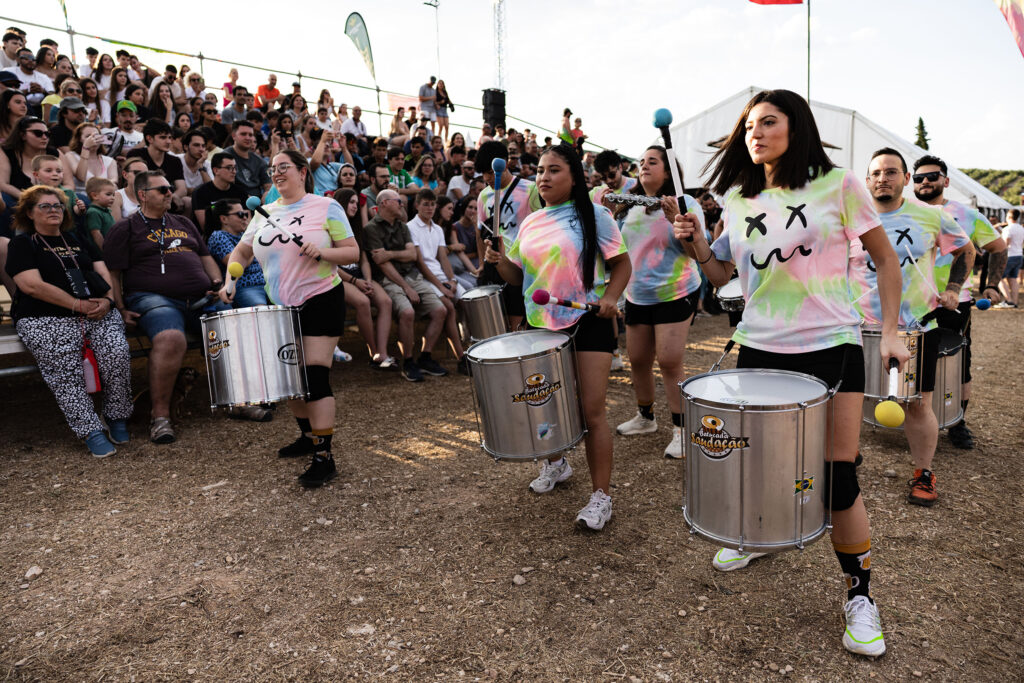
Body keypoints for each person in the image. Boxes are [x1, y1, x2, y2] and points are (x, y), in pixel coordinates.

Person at [672, 89, 909, 658]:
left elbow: (884, 259)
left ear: (796, 127)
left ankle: (860, 596)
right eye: (749, 126)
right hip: (758, 346)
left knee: (837, 476)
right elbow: (722, 273)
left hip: (830, 346)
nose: (755, 133)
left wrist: (892, 331)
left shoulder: (838, 185)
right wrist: (697, 243)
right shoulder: (737, 198)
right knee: (758, 465)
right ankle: (759, 538)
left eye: (768, 122)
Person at [490, 143, 631, 531]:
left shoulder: (596, 215)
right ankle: (556, 463)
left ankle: (601, 496)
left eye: (553, 170)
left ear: (574, 177)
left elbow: (622, 264)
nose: (544, 177)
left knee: (591, 410)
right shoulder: (531, 222)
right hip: (541, 324)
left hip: (587, 320)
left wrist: (611, 297)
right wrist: (498, 260)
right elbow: (517, 276)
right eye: (539, 170)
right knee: (545, 405)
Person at [218, 150, 358, 487]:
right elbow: (243, 251)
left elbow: (352, 252)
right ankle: (308, 437)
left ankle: (324, 456)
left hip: (321, 297)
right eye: (273, 169)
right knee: (290, 380)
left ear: (303, 172)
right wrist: (229, 280)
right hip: (280, 304)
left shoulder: (326, 206)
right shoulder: (265, 212)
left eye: (284, 167)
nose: (277, 173)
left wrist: (323, 251)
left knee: (314, 376)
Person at [851, 148, 973, 508]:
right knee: (847, 399)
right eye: (875, 173)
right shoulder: (851, 217)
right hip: (858, 325)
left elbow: (966, 250)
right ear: (866, 180)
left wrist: (954, 289)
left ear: (906, 178)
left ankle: (924, 472)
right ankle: (845, 459)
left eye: (891, 172)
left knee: (919, 404)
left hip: (918, 325)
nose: (882, 178)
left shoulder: (931, 215)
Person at [5, 185, 132, 457]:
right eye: (45, 206)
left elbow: (102, 271)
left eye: (58, 206)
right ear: (30, 213)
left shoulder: (76, 238)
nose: (54, 210)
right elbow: (31, 286)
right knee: (65, 370)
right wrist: (76, 305)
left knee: (117, 353)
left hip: (96, 311)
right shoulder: (23, 244)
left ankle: (116, 415)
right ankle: (90, 429)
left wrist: (108, 301)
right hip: (44, 318)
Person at [103, 169, 226, 444]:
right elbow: (112, 273)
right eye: (163, 189)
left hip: (200, 297)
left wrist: (217, 283)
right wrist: (120, 308)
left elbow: (204, 256)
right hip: (152, 297)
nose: (170, 192)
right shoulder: (125, 228)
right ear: (143, 195)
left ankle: (239, 399)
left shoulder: (183, 222)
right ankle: (160, 416)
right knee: (171, 338)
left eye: (170, 187)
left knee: (232, 326)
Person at [612, 145, 703, 458]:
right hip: (638, 295)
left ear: (668, 171)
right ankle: (646, 417)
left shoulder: (684, 202)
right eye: (641, 162)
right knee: (638, 359)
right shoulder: (629, 206)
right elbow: (619, 252)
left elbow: (696, 253)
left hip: (675, 292)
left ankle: (682, 430)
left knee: (668, 360)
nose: (644, 166)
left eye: (652, 161)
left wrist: (674, 218)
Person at [911, 154, 1007, 449]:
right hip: (912, 303)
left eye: (932, 176)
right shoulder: (904, 211)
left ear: (946, 180)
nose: (925, 182)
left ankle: (957, 422)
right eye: (919, 178)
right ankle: (914, 419)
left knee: (958, 366)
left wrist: (991, 284)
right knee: (911, 364)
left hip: (955, 304)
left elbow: (998, 247)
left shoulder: (967, 215)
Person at [363, 189, 448, 382]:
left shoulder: (402, 226)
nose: (402, 204)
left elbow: (412, 255)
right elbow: (382, 264)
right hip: (388, 279)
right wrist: (406, 288)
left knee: (440, 311)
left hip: (411, 275)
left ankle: (425, 356)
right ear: (384, 203)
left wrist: (390, 254)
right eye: (398, 201)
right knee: (407, 312)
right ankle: (408, 361)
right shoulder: (371, 229)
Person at [476, 141, 542, 329]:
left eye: (490, 172)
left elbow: (540, 226)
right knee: (495, 324)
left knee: (517, 325)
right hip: (494, 265)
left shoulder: (530, 189)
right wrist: (482, 264)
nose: (487, 178)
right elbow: (480, 232)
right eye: (483, 173)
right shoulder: (483, 196)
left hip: (520, 266)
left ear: (504, 164)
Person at [408, 189, 468, 374]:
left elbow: (443, 258)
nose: (429, 208)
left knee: (467, 302)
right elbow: (420, 263)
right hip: (423, 277)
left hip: (440, 276)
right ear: (417, 205)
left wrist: (452, 280)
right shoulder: (411, 227)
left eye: (432, 204)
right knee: (447, 308)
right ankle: (460, 357)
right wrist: (442, 286)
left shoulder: (438, 229)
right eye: (425, 204)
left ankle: (469, 351)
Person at [334, 187, 395, 368]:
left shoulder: (356, 227)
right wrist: (355, 281)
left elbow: (364, 260)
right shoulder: (330, 227)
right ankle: (374, 352)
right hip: (339, 277)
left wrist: (367, 280)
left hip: (360, 275)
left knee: (386, 302)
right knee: (363, 302)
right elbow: (331, 266)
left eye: (356, 202)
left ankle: (382, 352)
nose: (355, 206)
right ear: (341, 204)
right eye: (351, 202)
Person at [206, 199, 267, 308]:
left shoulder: (244, 235)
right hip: (244, 286)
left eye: (245, 214)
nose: (245, 218)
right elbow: (238, 264)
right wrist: (253, 240)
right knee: (261, 311)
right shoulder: (218, 236)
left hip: (267, 283)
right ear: (224, 219)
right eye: (240, 214)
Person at [192, 152, 248, 234]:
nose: (234, 171)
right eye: (229, 168)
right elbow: (205, 226)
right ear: (216, 170)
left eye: (235, 168)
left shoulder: (240, 192)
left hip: (240, 235)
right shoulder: (201, 192)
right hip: (214, 236)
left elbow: (247, 221)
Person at [62, 122, 118, 194]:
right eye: (88, 136)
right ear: (79, 139)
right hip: (81, 197)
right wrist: (86, 148)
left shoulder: (109, 161)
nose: (93, 139)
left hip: (103, 197)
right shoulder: (71, 156)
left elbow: (113, 182)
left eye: (96, 136)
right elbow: (81, 177)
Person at [223, 120, 269, 198]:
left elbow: (268, 186)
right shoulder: (224, 157)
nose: (248, 138)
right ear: (234, 136)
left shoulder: (260, 161)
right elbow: (225, 185)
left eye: (250, 135)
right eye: (243, 134)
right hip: (233, 200)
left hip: (257, 201)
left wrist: (267, 195)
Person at [111, 157, 148, 222]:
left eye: (145, 174)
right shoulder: (117, 197)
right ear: (125, 174)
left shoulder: (152, 195)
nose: (141, 176)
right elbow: (116, 226)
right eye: (137, 173)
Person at [1000, 209, 1024, 307]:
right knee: (1013, 279)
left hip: (1009, 255)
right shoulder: (1021, 228)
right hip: (1019, 255)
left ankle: (1008, 300)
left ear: (1009, 216)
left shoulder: (1008, 229)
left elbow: (1006, 242)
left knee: (999, 278)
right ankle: (1014, 301)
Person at [84, 177, 117, 248]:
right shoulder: (93, 212)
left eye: (113, 195)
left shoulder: (105, 210)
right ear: (95, 196)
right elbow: (96, 234)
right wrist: (105, 250)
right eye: (108, 194)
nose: (112, 198)